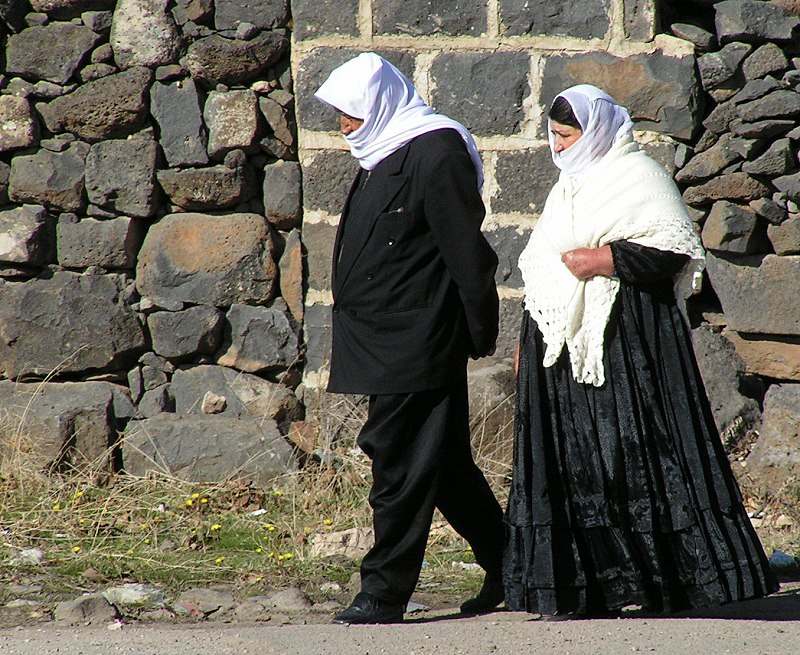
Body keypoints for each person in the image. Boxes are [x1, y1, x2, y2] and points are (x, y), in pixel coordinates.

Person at [504, 84, 778, 618]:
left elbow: (671, 252)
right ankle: (591, 586)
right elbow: (541, 265)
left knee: (640, 455)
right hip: (564, 351)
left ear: (595, 131)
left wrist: (604, 260)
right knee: (579, 464)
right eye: (554, 138)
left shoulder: (639, 178)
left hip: (629, 344)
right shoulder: (567, 189)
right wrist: (528, 340)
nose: (557, 148)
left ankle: (669, 582)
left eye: (566, 136)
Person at [314, 53, 506, 624]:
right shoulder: (383, 148)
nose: (345, 126)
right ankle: (515, 564)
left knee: (396, 461)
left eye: (351, 113)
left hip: (418, 337)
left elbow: (465, 252)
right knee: (441, 464)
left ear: (378, 105)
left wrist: (476, 330)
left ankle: (384, 590)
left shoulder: (435, 150)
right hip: (383, 336)